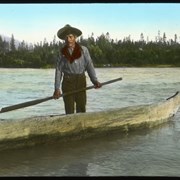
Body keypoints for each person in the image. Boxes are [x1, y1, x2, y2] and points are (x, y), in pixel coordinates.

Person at [53, 24, 101, 114]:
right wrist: (57, 88)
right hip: (68, 83)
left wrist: (95, 81)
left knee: (81, 109)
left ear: (75, 38)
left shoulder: (83, 50)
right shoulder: (62, 53)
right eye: (66, 37)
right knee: (69, 110)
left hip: (81, 81)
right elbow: (58, 71)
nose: (68, 40)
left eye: (70, 37)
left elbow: (89, 66)